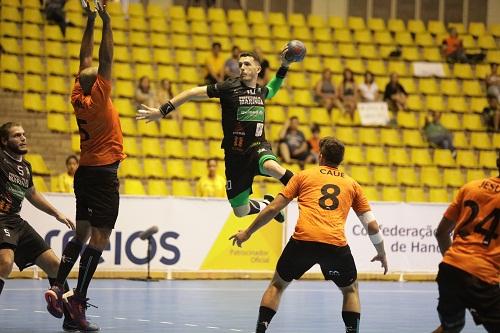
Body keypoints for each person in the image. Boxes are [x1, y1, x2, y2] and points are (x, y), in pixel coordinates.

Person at [230, 136, 388, 333]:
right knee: (350, 290)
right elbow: (372, 226)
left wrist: (247, 232)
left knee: (277, 285)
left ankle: (261, 330)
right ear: (340, 160)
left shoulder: (303, 176)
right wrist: (381, 252)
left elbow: (273, 208)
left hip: (302, 242)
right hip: (334, 245)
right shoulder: (353, 185)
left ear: (320, 156)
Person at [137, 47, 299, 222]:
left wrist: (285, 65)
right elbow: (191, 93)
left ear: (258, 69)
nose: (242, 67)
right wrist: (162, 111)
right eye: (240, 64)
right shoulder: (229, 87)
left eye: (247, 64)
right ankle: (266, 205)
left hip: (257, 148)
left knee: (272, 167)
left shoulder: (261, 92)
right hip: (235, 156)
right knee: (241, 210)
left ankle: (307, 192)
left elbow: (273, 87)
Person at [45, 1, 125, 331]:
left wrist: (89, 20)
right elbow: (103, 58)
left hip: (84, 174)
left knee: (81, 233)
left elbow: (86, 59)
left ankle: (57, 285)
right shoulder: (101, 97)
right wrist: (107, 20)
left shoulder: (79, 94)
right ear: (99, 84)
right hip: (105, 174)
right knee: (101, 238)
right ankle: (78, 297)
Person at [0, 122, 80, 331]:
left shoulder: (25, 167)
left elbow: (32, 194)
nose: (23, 138)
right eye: (17, 135)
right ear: (4, 141)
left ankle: (72, 318)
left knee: (55, 265)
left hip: (15, 221)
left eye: (24, 134)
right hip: (0, 219)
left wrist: (57, 214)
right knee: (5, 262)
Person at [432, 154, 499, 333]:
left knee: (450, 327)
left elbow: (441, 233)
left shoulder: (471, 187)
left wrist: (454, 261)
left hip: (450, 269)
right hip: (482, 275)